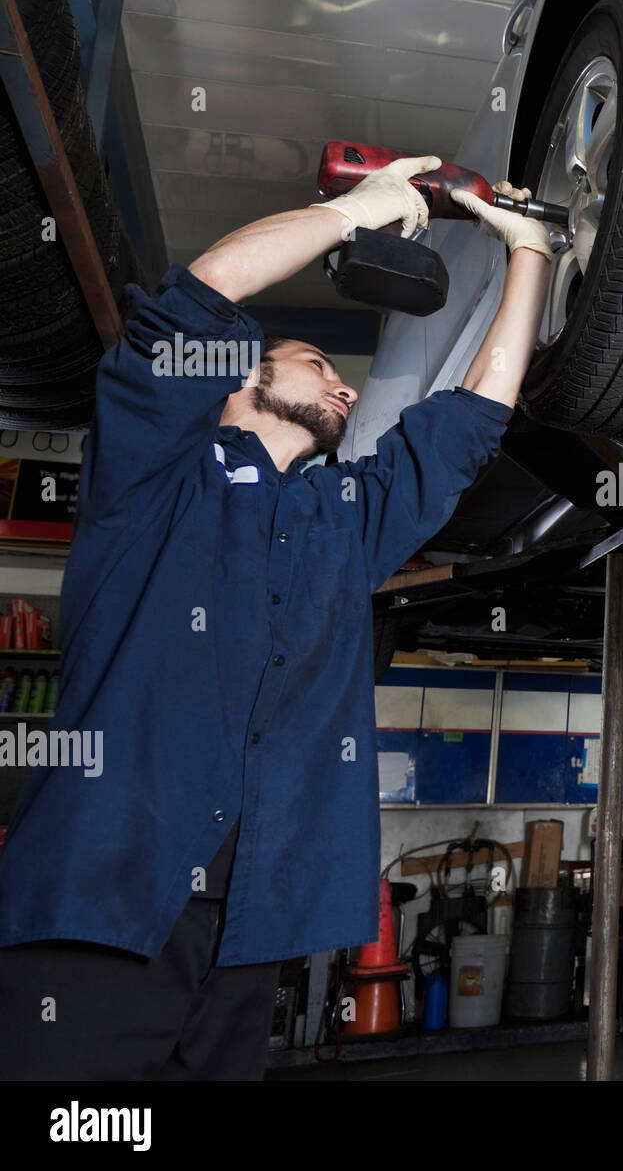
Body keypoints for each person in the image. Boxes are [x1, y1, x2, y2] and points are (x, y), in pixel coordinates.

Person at [0, 157, 551, 1080]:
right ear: (235, 379)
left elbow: (468, 425)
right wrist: (355, 213)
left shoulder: (342, 521)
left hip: (250, 926)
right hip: (100, 902)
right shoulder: (153, 476)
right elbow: (207, 290)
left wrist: (530, 251)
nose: (344, 389)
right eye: (319, 364)